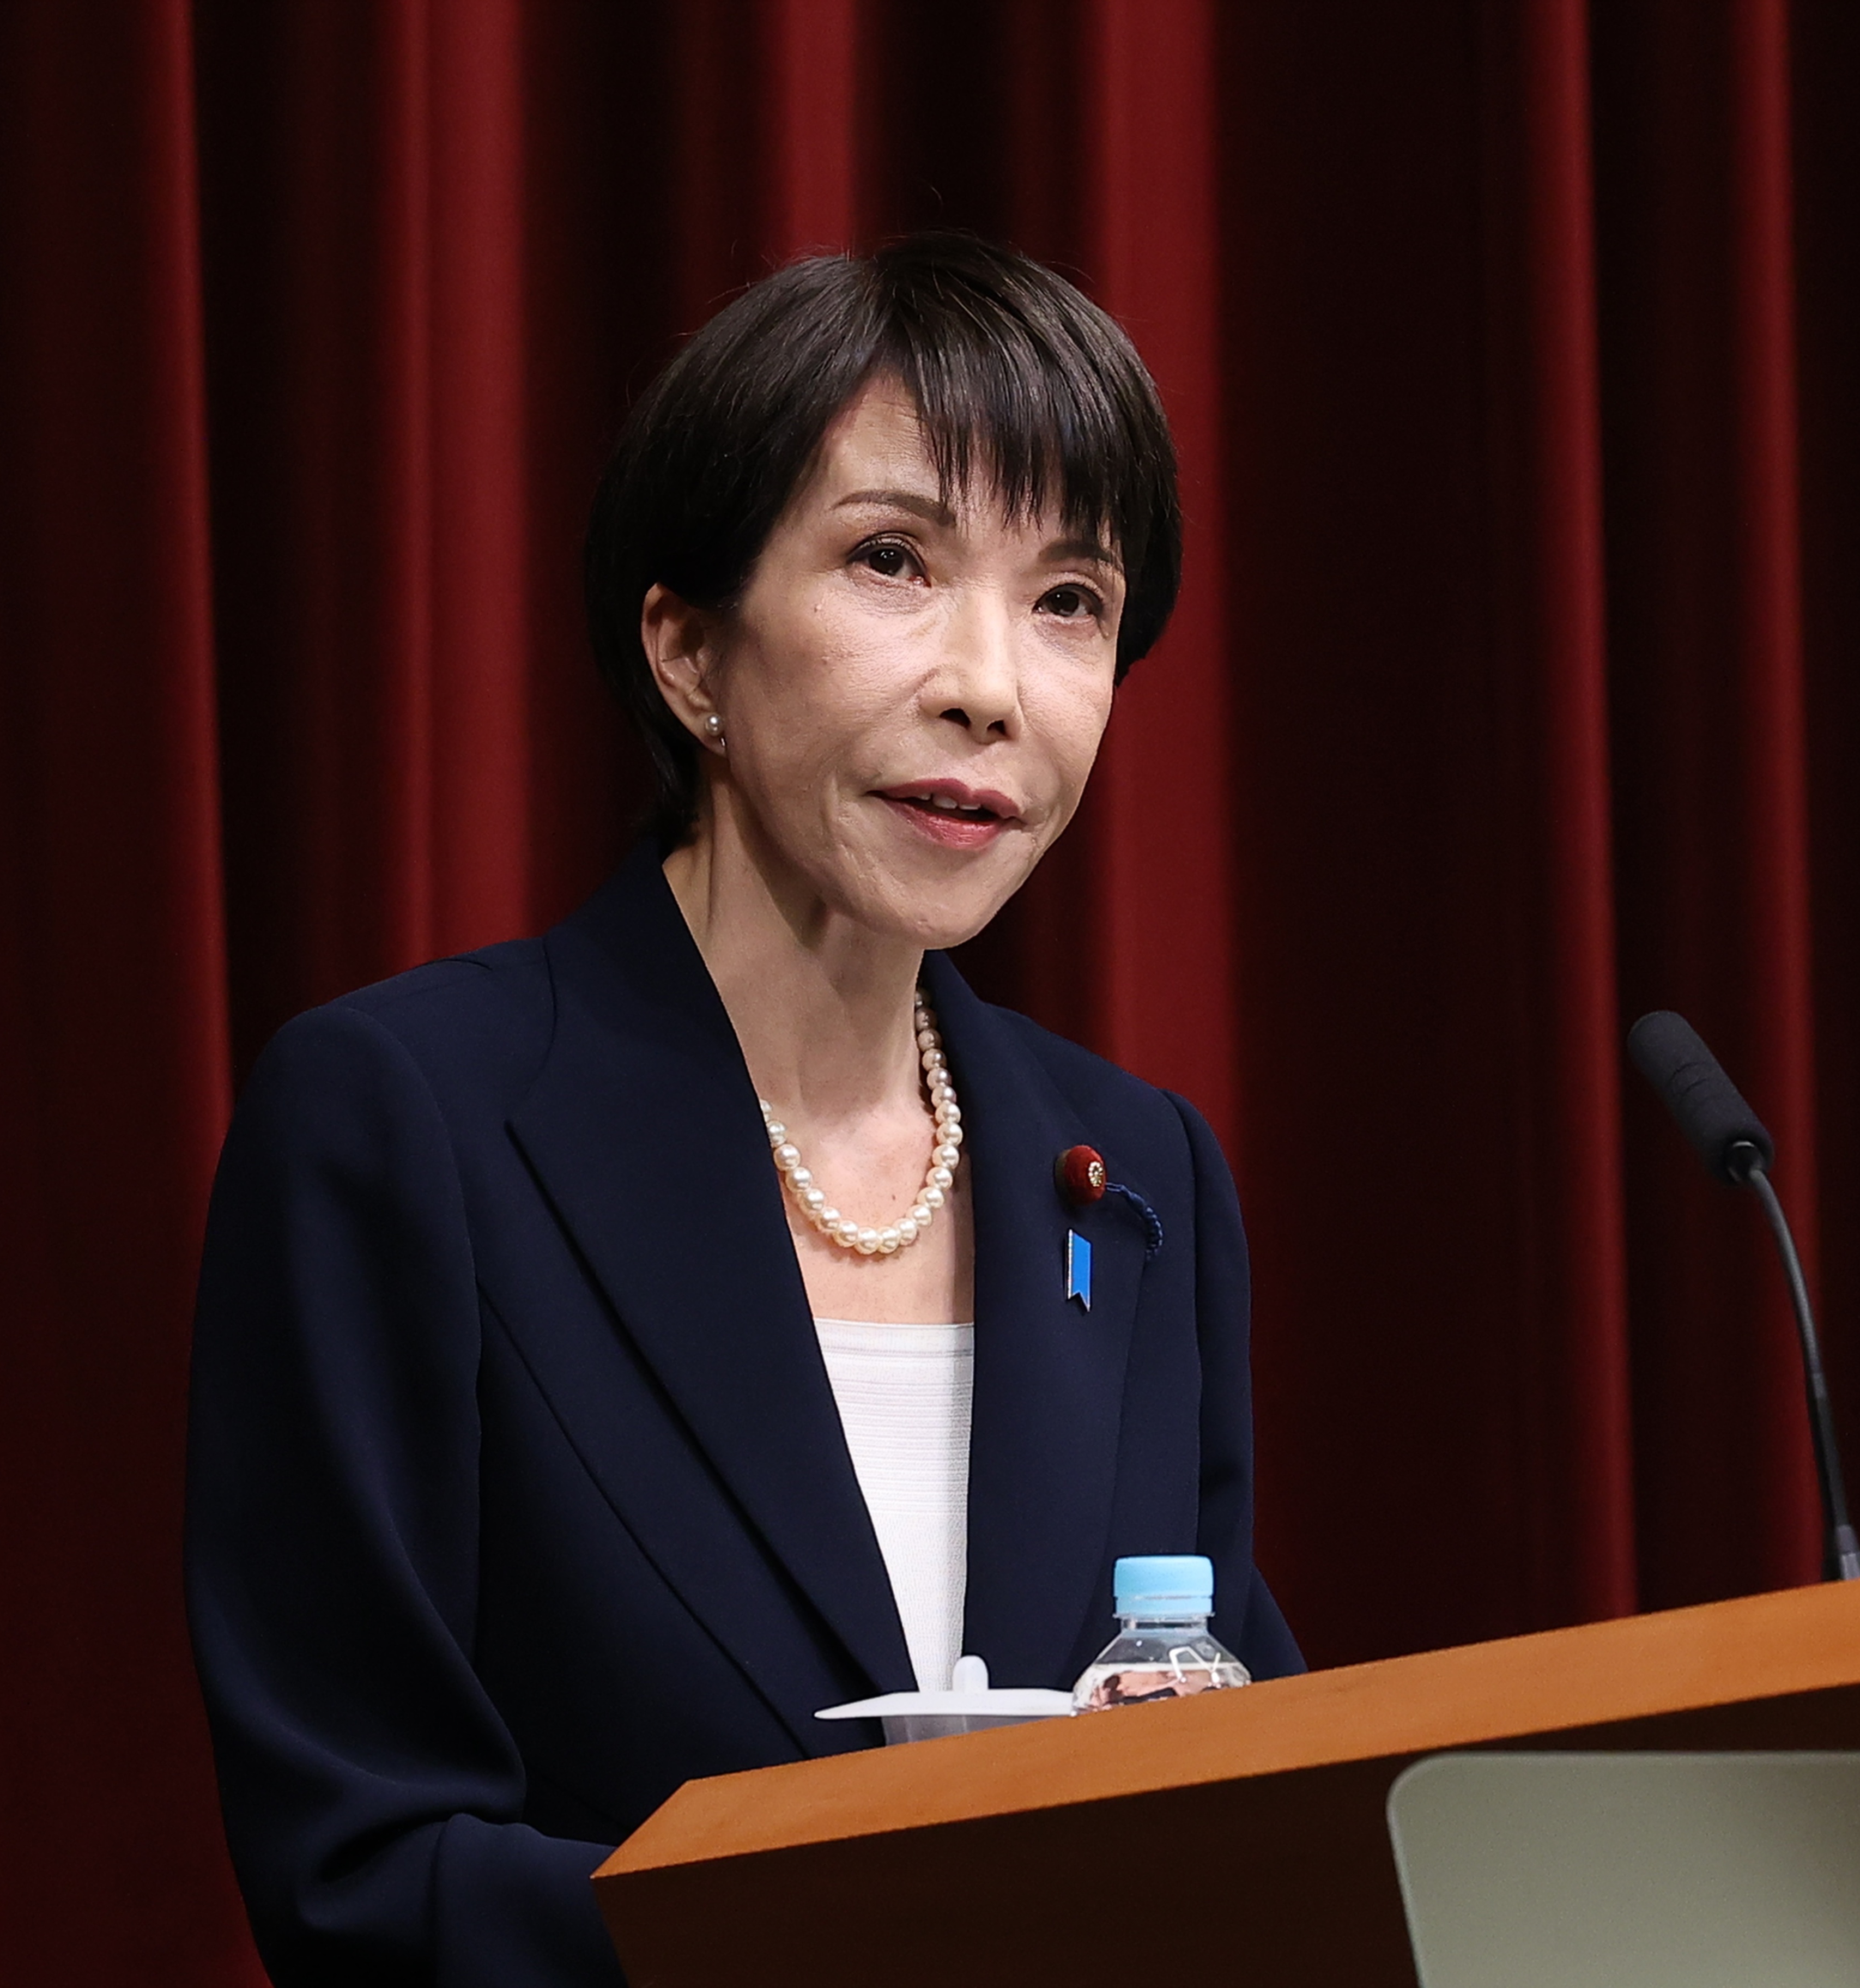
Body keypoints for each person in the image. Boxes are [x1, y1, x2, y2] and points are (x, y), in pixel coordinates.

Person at [184, 233, 1302, 1987]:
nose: (990, 685)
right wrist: (859, 1924)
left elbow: (1241, 1767)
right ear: (688, 652)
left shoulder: (1133, 1176)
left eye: (1069, 601)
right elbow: (363, 1870)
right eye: (891, 563)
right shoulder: (410, 1122)